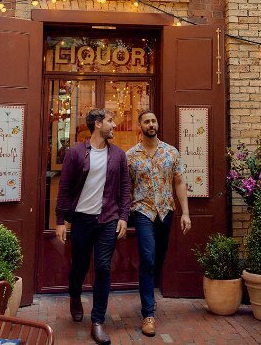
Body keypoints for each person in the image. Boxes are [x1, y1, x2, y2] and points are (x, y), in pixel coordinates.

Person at [55, 109, 131, 345]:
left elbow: (125, 188)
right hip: (81, 219)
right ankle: (75, 295)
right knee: (79, 266)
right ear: (98, 124)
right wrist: (60, 220)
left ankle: (97, 321)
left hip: (107, 219)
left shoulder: (118, 155)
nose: (114, 125)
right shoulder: (76, 152)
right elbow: (65, 187)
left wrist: (123, 216)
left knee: (103, 267)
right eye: (110, 121)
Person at [126, 110, 191, 337]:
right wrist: (123, 218)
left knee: (158, 257)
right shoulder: (131, 156)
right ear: (140, 126)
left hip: (166, 212)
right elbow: (127, 189)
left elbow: (180, 181)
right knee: (147, 258)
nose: (151, 124)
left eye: (154, 120)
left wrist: (186, 213)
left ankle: (149, 293)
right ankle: (148, 314)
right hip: (143, 212)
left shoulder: (171, 152)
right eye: (146, 121)